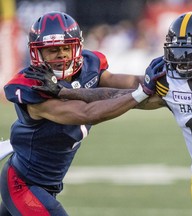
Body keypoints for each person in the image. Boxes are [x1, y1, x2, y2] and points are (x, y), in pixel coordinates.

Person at [28, 12, 192, 216]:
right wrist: (65, 92)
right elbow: (112, 96)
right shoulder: (171, 86)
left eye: (188, 53)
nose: (181, 61)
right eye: (176, 52)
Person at [0, 11, 164, 215]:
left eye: (66, 48)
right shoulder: (32, 86)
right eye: (52, 50)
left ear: (77, 47)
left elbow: (130, 85)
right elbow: (86, 112)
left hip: (47, 184)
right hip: (23, 184)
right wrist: (141, 94)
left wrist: (169, 89)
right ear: (37, 54)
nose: (61, 55)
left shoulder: (89, 66)